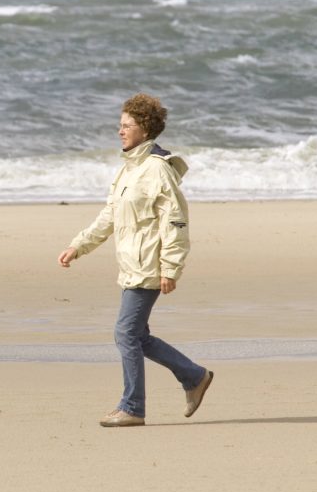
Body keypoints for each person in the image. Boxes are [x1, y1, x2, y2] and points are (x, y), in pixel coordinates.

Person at [57, 93, 213, 427]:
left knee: (125, 334)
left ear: (144, 128)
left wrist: (170, 268)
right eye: (120, 124)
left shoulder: (157, 169)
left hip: (149, 267)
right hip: (132, 265)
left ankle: (133, 407)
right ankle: (194, 376)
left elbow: (176, 221)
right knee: (137, 336)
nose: (120, 131)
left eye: (126, 125)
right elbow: (110, 216)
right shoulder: (129, 170)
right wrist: (78, 246)